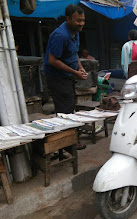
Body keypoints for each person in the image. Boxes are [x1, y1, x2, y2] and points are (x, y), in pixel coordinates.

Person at [44, 4, 87, 150]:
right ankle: (68, 145)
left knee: (69, 107)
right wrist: (75, 72)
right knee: (64, 111)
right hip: (57, 78)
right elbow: (52, 60)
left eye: (83, 20)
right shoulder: (60, 35)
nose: (81, 23)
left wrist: (80, 68)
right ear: (68, 19)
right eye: (78, 20)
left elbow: (73, 54)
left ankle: (69, 141)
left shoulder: (75, 32)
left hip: (68, 77)